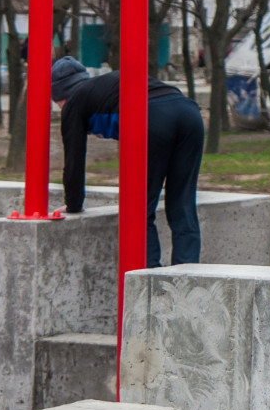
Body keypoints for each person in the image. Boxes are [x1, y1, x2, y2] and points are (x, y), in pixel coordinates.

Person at [50, 55, 206, 266]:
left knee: (139, 207)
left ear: (59, 93)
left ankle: (150, 278)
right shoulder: (103, 87)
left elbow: (74, 160)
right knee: (182, 201)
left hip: (152, 116)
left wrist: (74, 203)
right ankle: (186, 274)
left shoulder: (74, 102)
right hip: (189, 113)